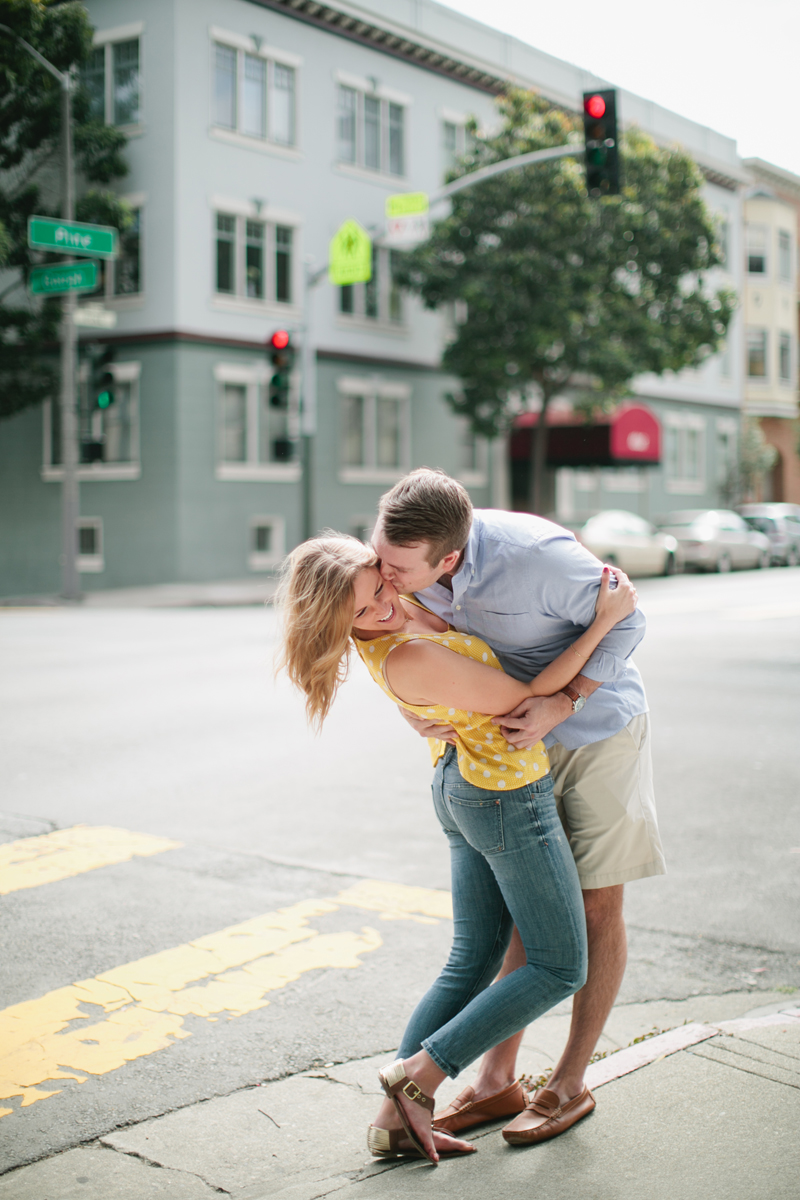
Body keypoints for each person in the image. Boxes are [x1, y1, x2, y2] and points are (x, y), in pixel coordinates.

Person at [277, 533, 638, 1164]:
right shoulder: (405, 651)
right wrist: (604, 621)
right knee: (559, 967)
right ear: (339, 622)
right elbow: (530, 696)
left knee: (473, 957)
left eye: (380, 588)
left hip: (463, 781)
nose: (383, 607)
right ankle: (421, 1073)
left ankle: (395, 1120)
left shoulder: (391, 599)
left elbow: (397, 568)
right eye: (361, 612)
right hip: (502, 797)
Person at [371, 468, 665, 1145]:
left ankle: (568, 1081)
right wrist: (418, 712)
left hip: (595, 733)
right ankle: (497, 1081)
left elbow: (628, 619)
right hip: (504, 744)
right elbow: (399, 650)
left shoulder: (537, 558)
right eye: (379, 556)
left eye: (397, 567)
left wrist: (568, 700)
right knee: (523, 914)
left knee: (593, 906)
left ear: (448, 558)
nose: (383, 575)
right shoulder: (401, 565)